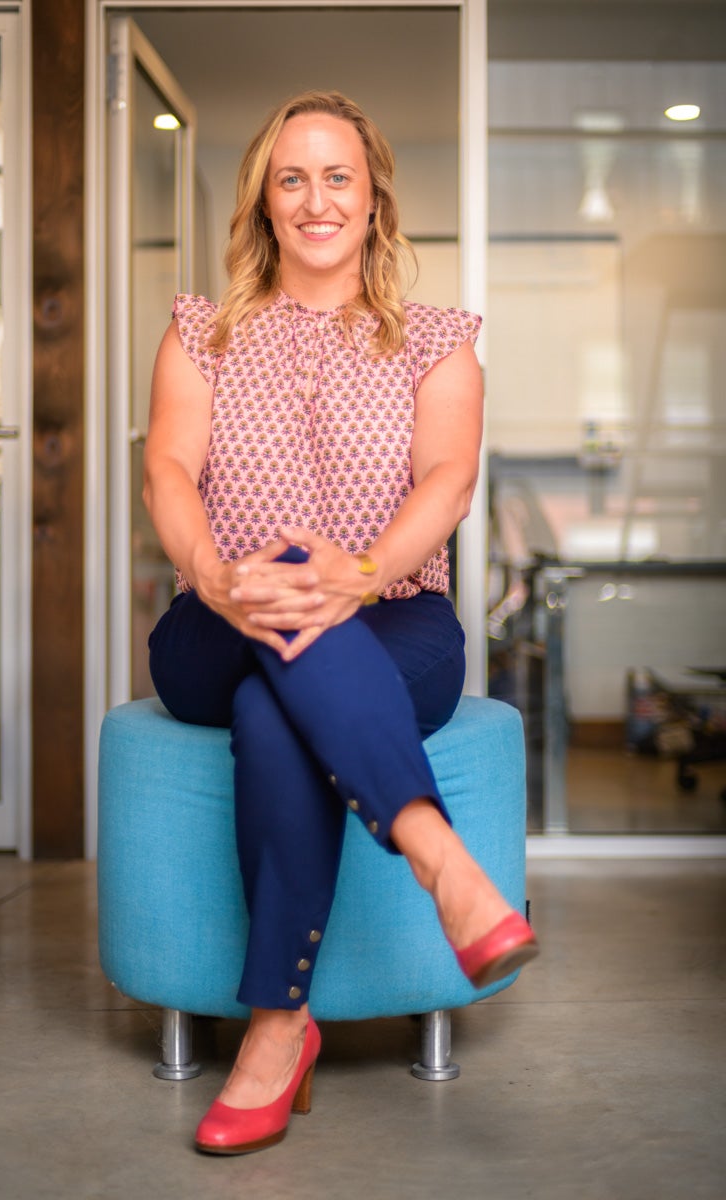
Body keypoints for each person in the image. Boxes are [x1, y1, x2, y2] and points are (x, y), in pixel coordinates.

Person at [143, 89, 538, 1157]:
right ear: (264, 203)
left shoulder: (437, 344)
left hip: (393, 624)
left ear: (372, 204)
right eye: (291, 177)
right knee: (274, 597)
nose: (314, 198)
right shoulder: (201, 332)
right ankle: (443, 864)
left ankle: (276, 1028)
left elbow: (447, 484)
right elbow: (167, 470)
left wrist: (356, 577)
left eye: (337, 177)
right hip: (214, 621)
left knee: (280, 708)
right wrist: (217, 577)